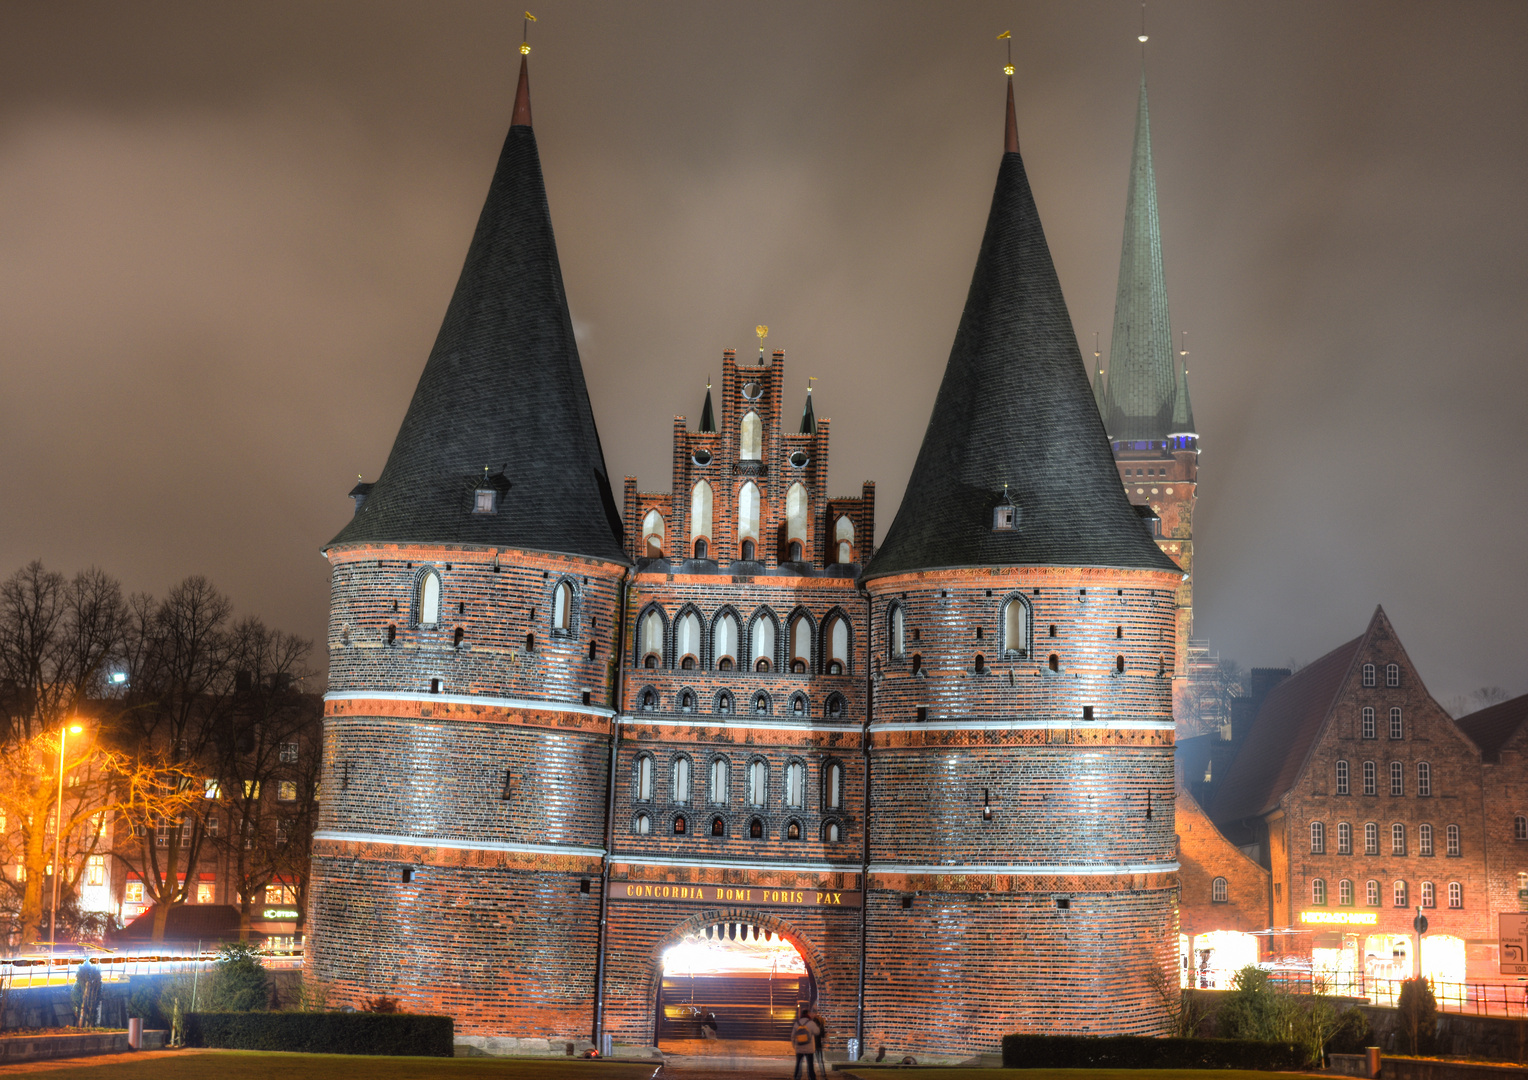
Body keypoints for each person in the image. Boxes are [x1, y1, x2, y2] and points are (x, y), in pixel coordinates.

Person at [790, 1004, 822, 1080]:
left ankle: (796, 1077)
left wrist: (794, 1045)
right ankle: (812, 1077)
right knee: (810, 1065)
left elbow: (792, 1036)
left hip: (799, 1047)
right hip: (809, 1048)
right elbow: (817, 1032)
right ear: (808, 1014)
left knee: (798, 1064)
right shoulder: (811, 1023)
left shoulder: (797, 1023)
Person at [808, 1006, 828, 1075]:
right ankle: (823, 1072)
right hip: (818, 1043)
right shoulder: (820, 1022)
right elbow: (822, 1034)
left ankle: (811, 1073)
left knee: (812, 1060)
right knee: (820, 1059)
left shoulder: (813, 1021)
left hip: (813, 1043)